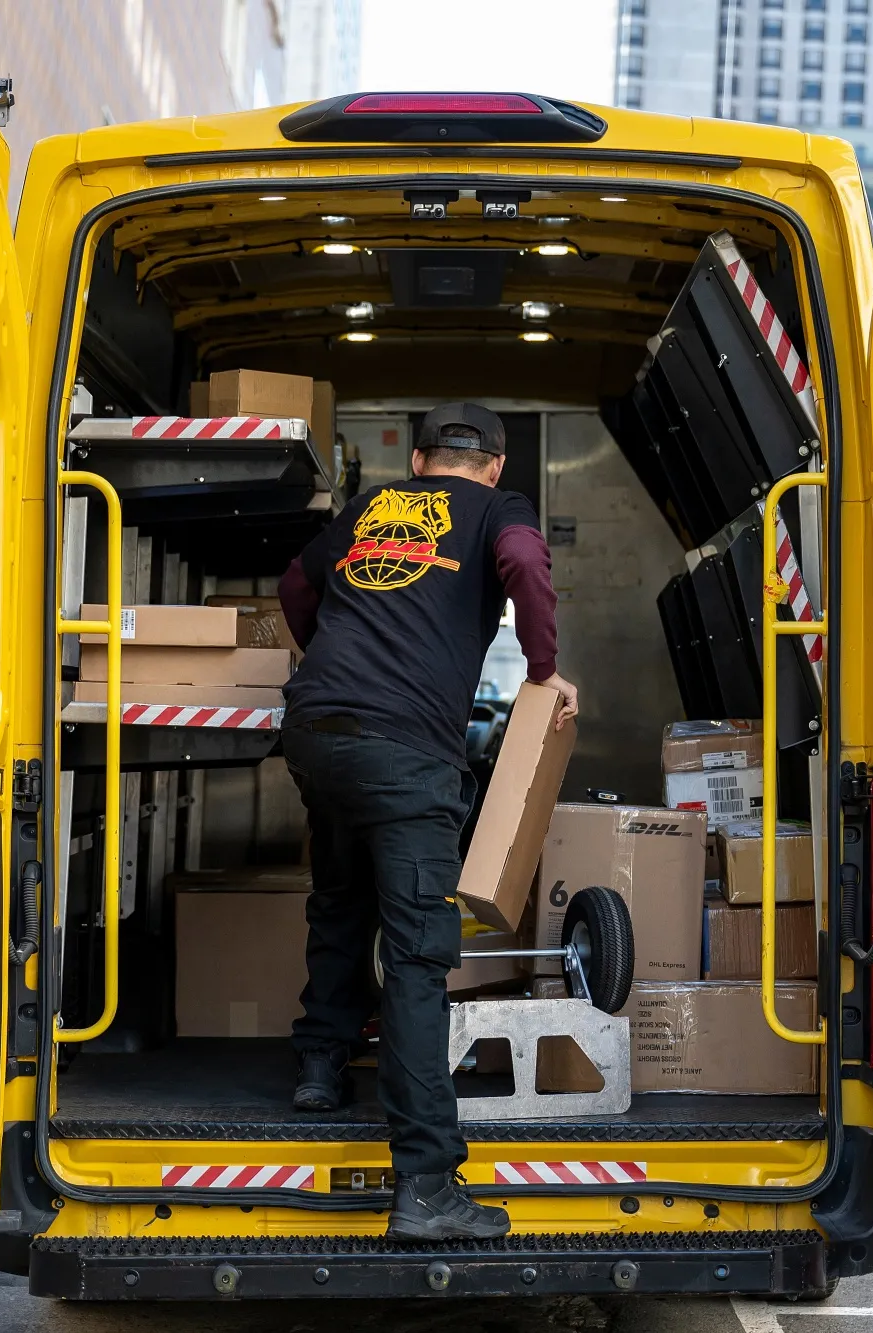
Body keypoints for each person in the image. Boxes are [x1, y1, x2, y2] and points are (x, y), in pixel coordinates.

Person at [276, 403, 577, 1242]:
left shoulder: (374, 506)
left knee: (339, 897)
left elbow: (296, 586)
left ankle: (317, 1065)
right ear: (495, 466)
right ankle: (428, 1184)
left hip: (315, 731)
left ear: (418, 459)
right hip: (404, 750)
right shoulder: (497, 509)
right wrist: (545, 673)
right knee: (415, 956)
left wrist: (331, 656)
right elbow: (522, 559)